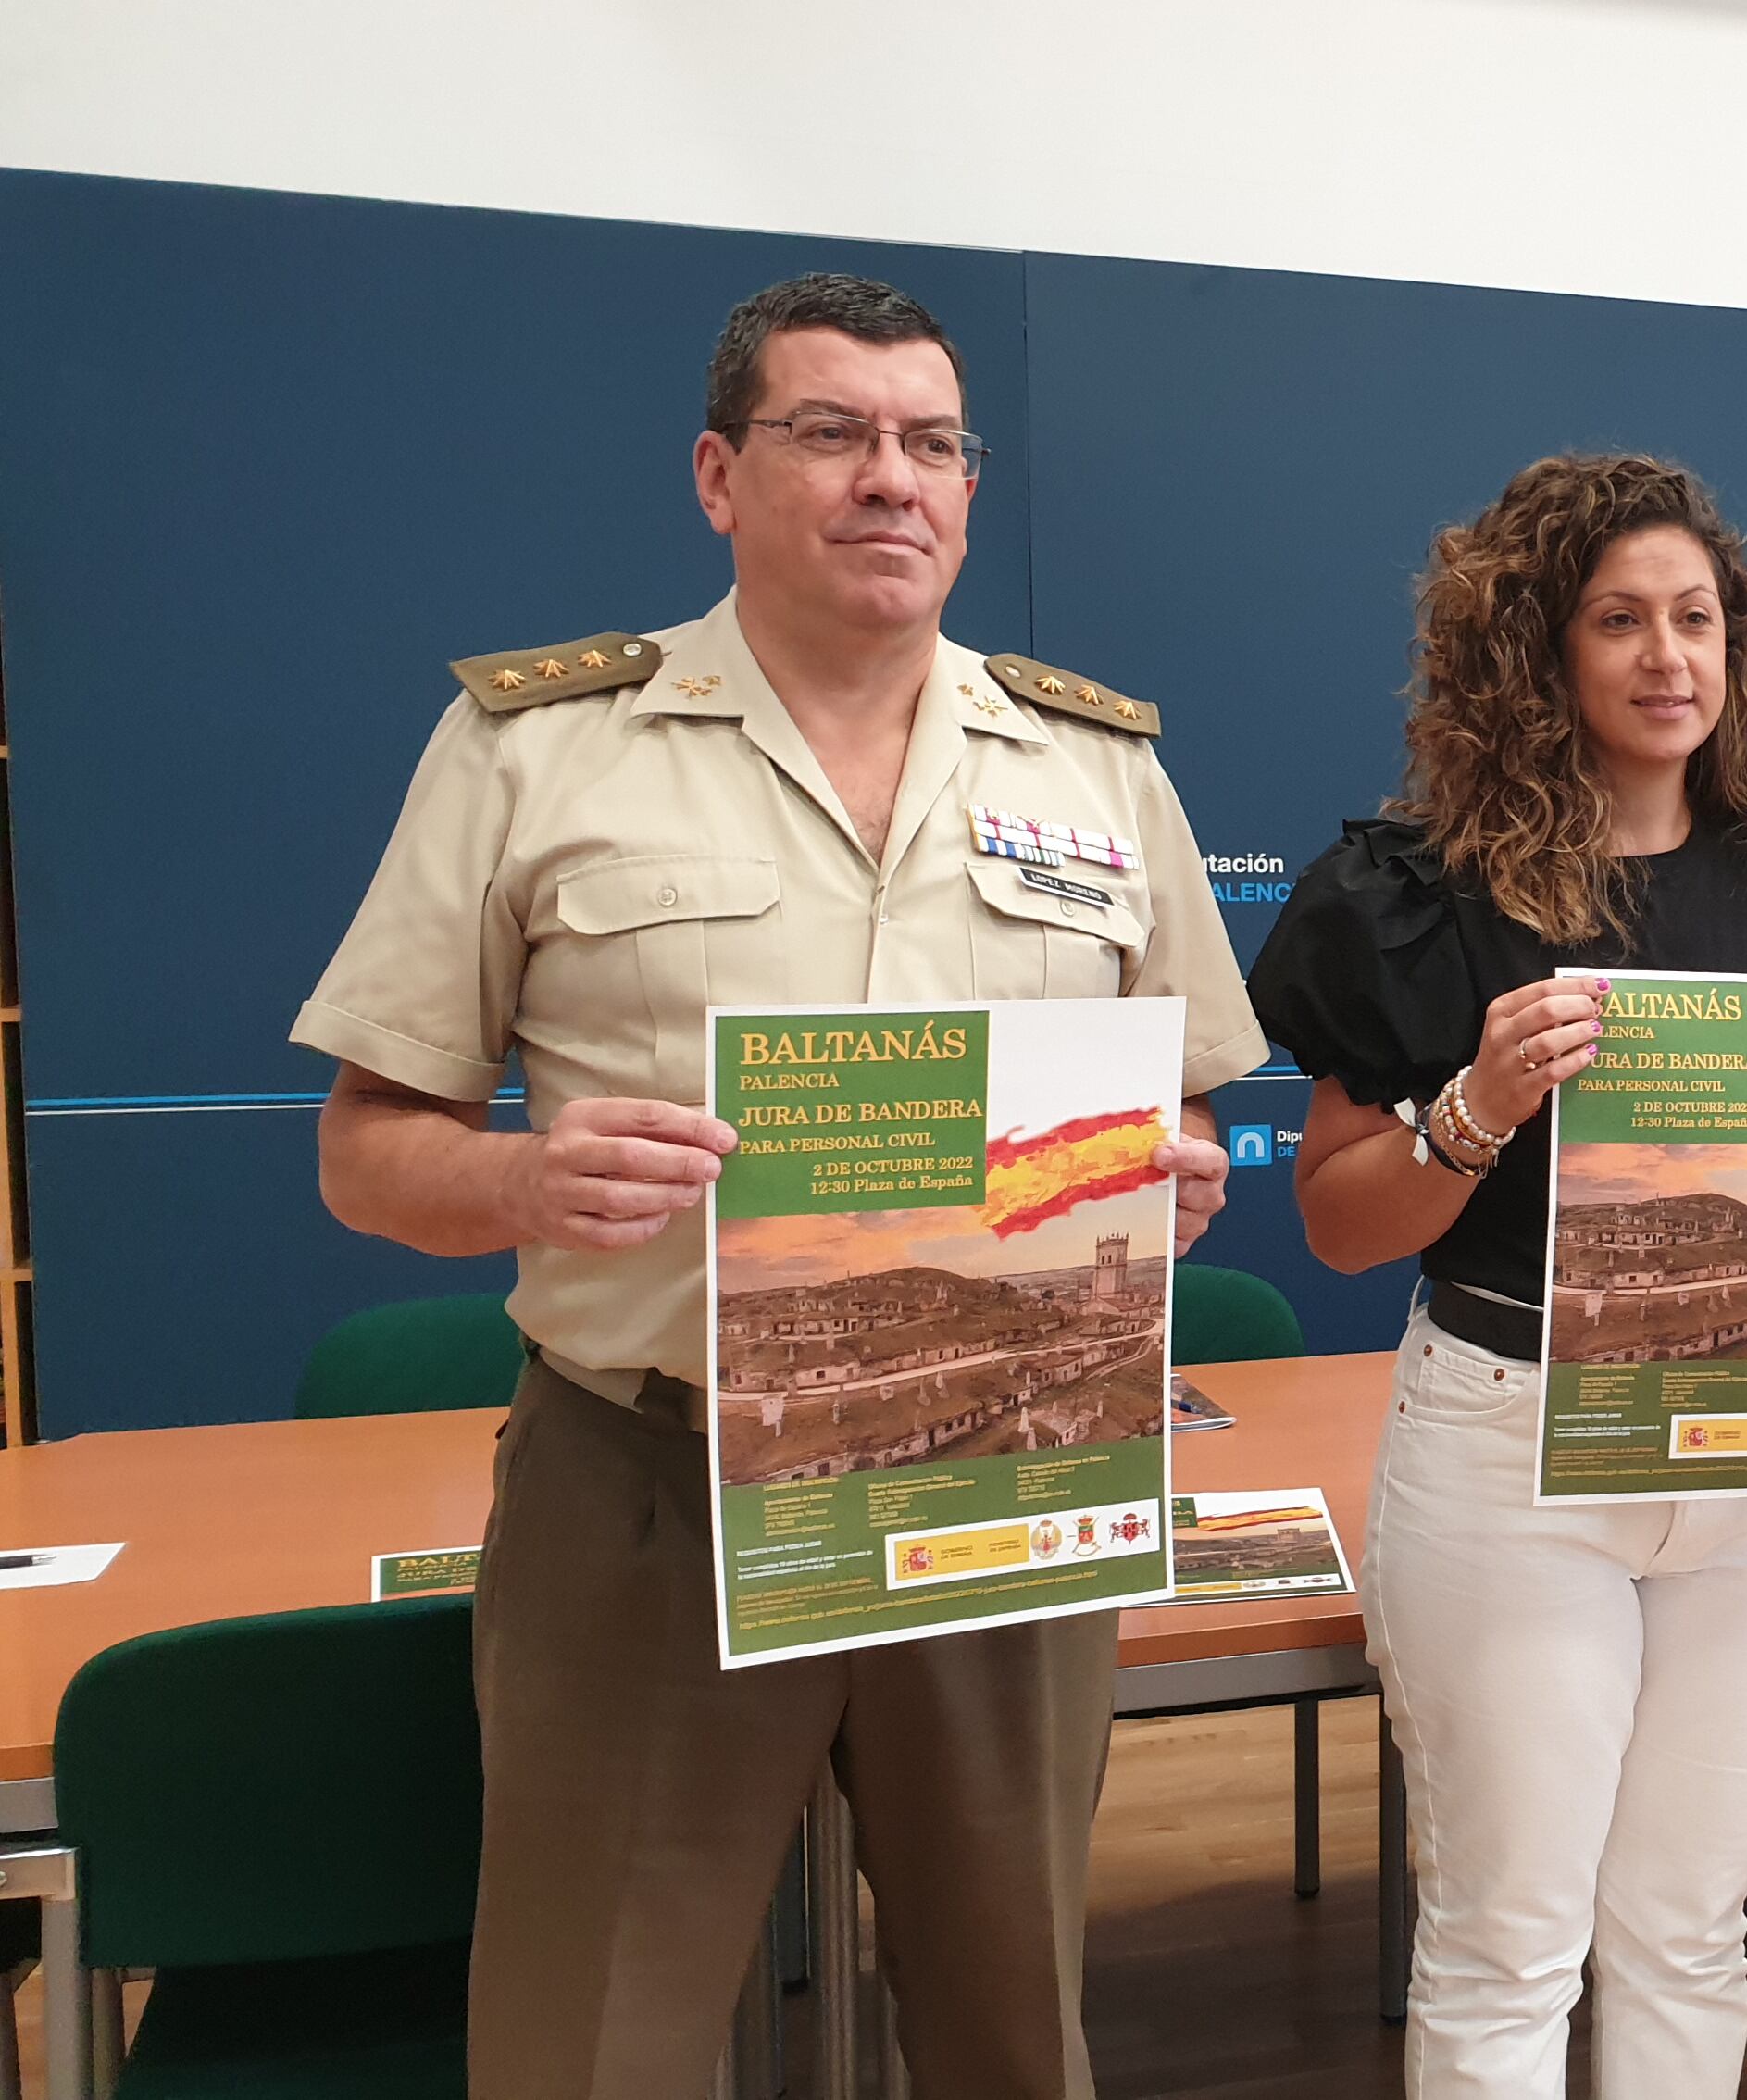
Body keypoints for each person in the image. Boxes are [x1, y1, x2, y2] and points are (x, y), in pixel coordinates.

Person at [295, 273, 1262, 2096]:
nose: (891, 477)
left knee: (1012, 2036)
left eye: (931, 442)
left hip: (1002, 1479)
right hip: (652, 1489)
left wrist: (1168, 1185)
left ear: (969, 490)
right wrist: (520, 1179)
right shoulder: (540, 749)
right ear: (720, 476)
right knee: (597, 2043)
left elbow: (1192, 1105)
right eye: (832, 433)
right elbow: (365, 1148)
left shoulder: (1099, 767)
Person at [1246, 453, 1747, 2099]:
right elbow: (1347, 1226)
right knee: (1510, 1942)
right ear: (1537, 652)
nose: (1668, 659)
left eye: (1697, 619)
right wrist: (1479, 1105)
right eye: (1620, 620)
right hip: (1514, 1456)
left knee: (1691, 1927)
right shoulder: (1415, 894)